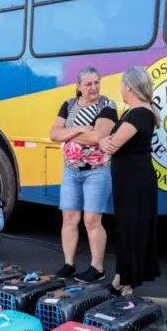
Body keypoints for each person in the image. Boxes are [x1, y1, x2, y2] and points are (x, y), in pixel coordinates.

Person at [49, 67, 119, 282]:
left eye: (97, 82)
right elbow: (53, 134)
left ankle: (97, 268)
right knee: (69, 218)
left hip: (97, 172)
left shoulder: (107, 105)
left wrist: (68, 135)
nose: (94, 88)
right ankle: (69, 264)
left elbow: (98, 136)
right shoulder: (68, 104)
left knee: (91, 220)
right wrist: (79, 129)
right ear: (78, 87)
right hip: (71, 171)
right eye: (88, 84)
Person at [100, 66, 161, 296]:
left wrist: (104, 140)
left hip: (132, 181)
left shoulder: (138, 114)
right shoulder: (141, 112)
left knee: (129, 228)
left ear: (130, 86)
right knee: (128, 227)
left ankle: (126, 284)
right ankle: (121, 277)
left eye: (122, 85)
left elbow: (113, 144)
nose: (121, 89)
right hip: (134, 178)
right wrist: (104, 140)